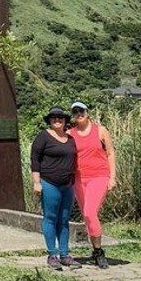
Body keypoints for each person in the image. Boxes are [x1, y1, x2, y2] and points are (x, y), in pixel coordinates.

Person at [30, 107, 82, 271]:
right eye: (53, 118)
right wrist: (37, 182)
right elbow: (35, 159)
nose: (57, 120)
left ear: (65, 120)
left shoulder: (71, 139)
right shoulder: (43, 137)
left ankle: (65, 254)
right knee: (50, 217)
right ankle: (52, 254)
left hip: (68, 185)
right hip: (49, 182)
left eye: (60, 117)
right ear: (49, 121)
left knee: (64, 219)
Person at [68, 100, 117, 269]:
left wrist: (113, 177)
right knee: (87, 216)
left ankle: (99, 251)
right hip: (79, 179)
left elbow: (110, 153)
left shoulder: (101, 131)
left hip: (99, 176)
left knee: (90, 212)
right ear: (73, 116)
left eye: (81, 111)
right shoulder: (70, 134)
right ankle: (95, 252)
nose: (79, 114)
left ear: (87, 112)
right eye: (75, 112)